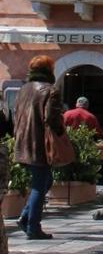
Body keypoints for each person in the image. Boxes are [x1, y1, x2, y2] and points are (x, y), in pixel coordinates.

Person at [14, 55, 63, 239]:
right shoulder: (50, 91)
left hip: (22, 142)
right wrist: (59, 133)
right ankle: (33, 226)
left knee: (45, 181)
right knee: (39, 185)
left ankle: (25, 217)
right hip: (40, 144)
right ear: (49, 69)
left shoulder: (23, 90)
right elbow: (52, 118)